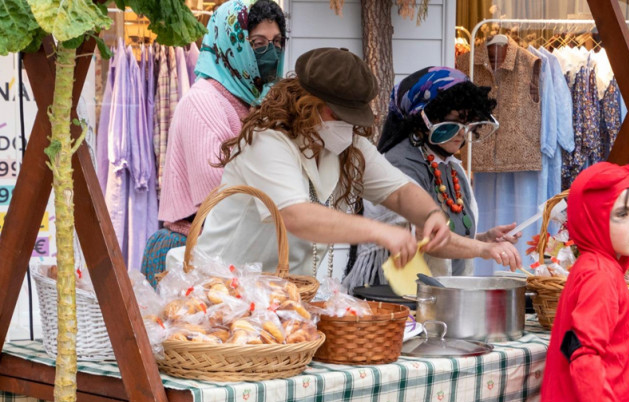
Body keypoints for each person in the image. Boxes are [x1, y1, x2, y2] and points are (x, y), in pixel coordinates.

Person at [175, 48, 452, 277]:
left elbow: (400, 192)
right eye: (338, 115)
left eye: (353, 118)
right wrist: (380, 232)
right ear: (306, 104)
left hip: (285, 297)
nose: (347, 126)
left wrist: (431, 214)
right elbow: (297, 215)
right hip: (221, 290)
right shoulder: (266, 142)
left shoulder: (347, 146)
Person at [141, 0, 286, 287]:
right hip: (191, 252)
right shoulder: (203, 102)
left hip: (234, 252)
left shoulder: (254, 101)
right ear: (232, 45)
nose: (271, 52)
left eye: (277, 42)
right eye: (258, 43)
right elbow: (222, 191)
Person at [342, 67, 522, 290]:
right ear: (422, 120)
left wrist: (485, 239)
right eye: (451, 124)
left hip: (438, 297)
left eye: (467, 125)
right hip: (396, 300)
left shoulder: (448, 162)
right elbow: (427, 239)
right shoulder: (401, 162)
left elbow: (449, 233)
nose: (460, 133)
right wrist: (484, 250)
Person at [535, 157, 629, 402]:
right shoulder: (599, 275)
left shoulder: (598, 269)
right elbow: (583, 354)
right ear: (593, 219)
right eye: (622, 214)